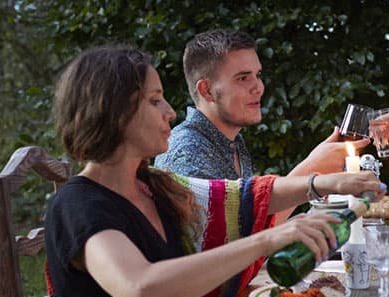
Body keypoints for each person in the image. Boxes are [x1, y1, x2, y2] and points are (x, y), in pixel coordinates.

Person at [44, 47, 383, 297]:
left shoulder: (153, 185)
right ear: (114, 113)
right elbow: (142, 290)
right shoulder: (78, 206)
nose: (170, 112)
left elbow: (243, 197)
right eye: (154, 100)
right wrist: (268, 239)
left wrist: (326, 183)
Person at [153, 30, 369, 218]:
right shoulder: (186, 151)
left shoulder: (233, 142)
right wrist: (313, 168)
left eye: (258, 75)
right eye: (243, 78)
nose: (258, 87)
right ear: (206, 90)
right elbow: (223, 246)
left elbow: (251, 225)